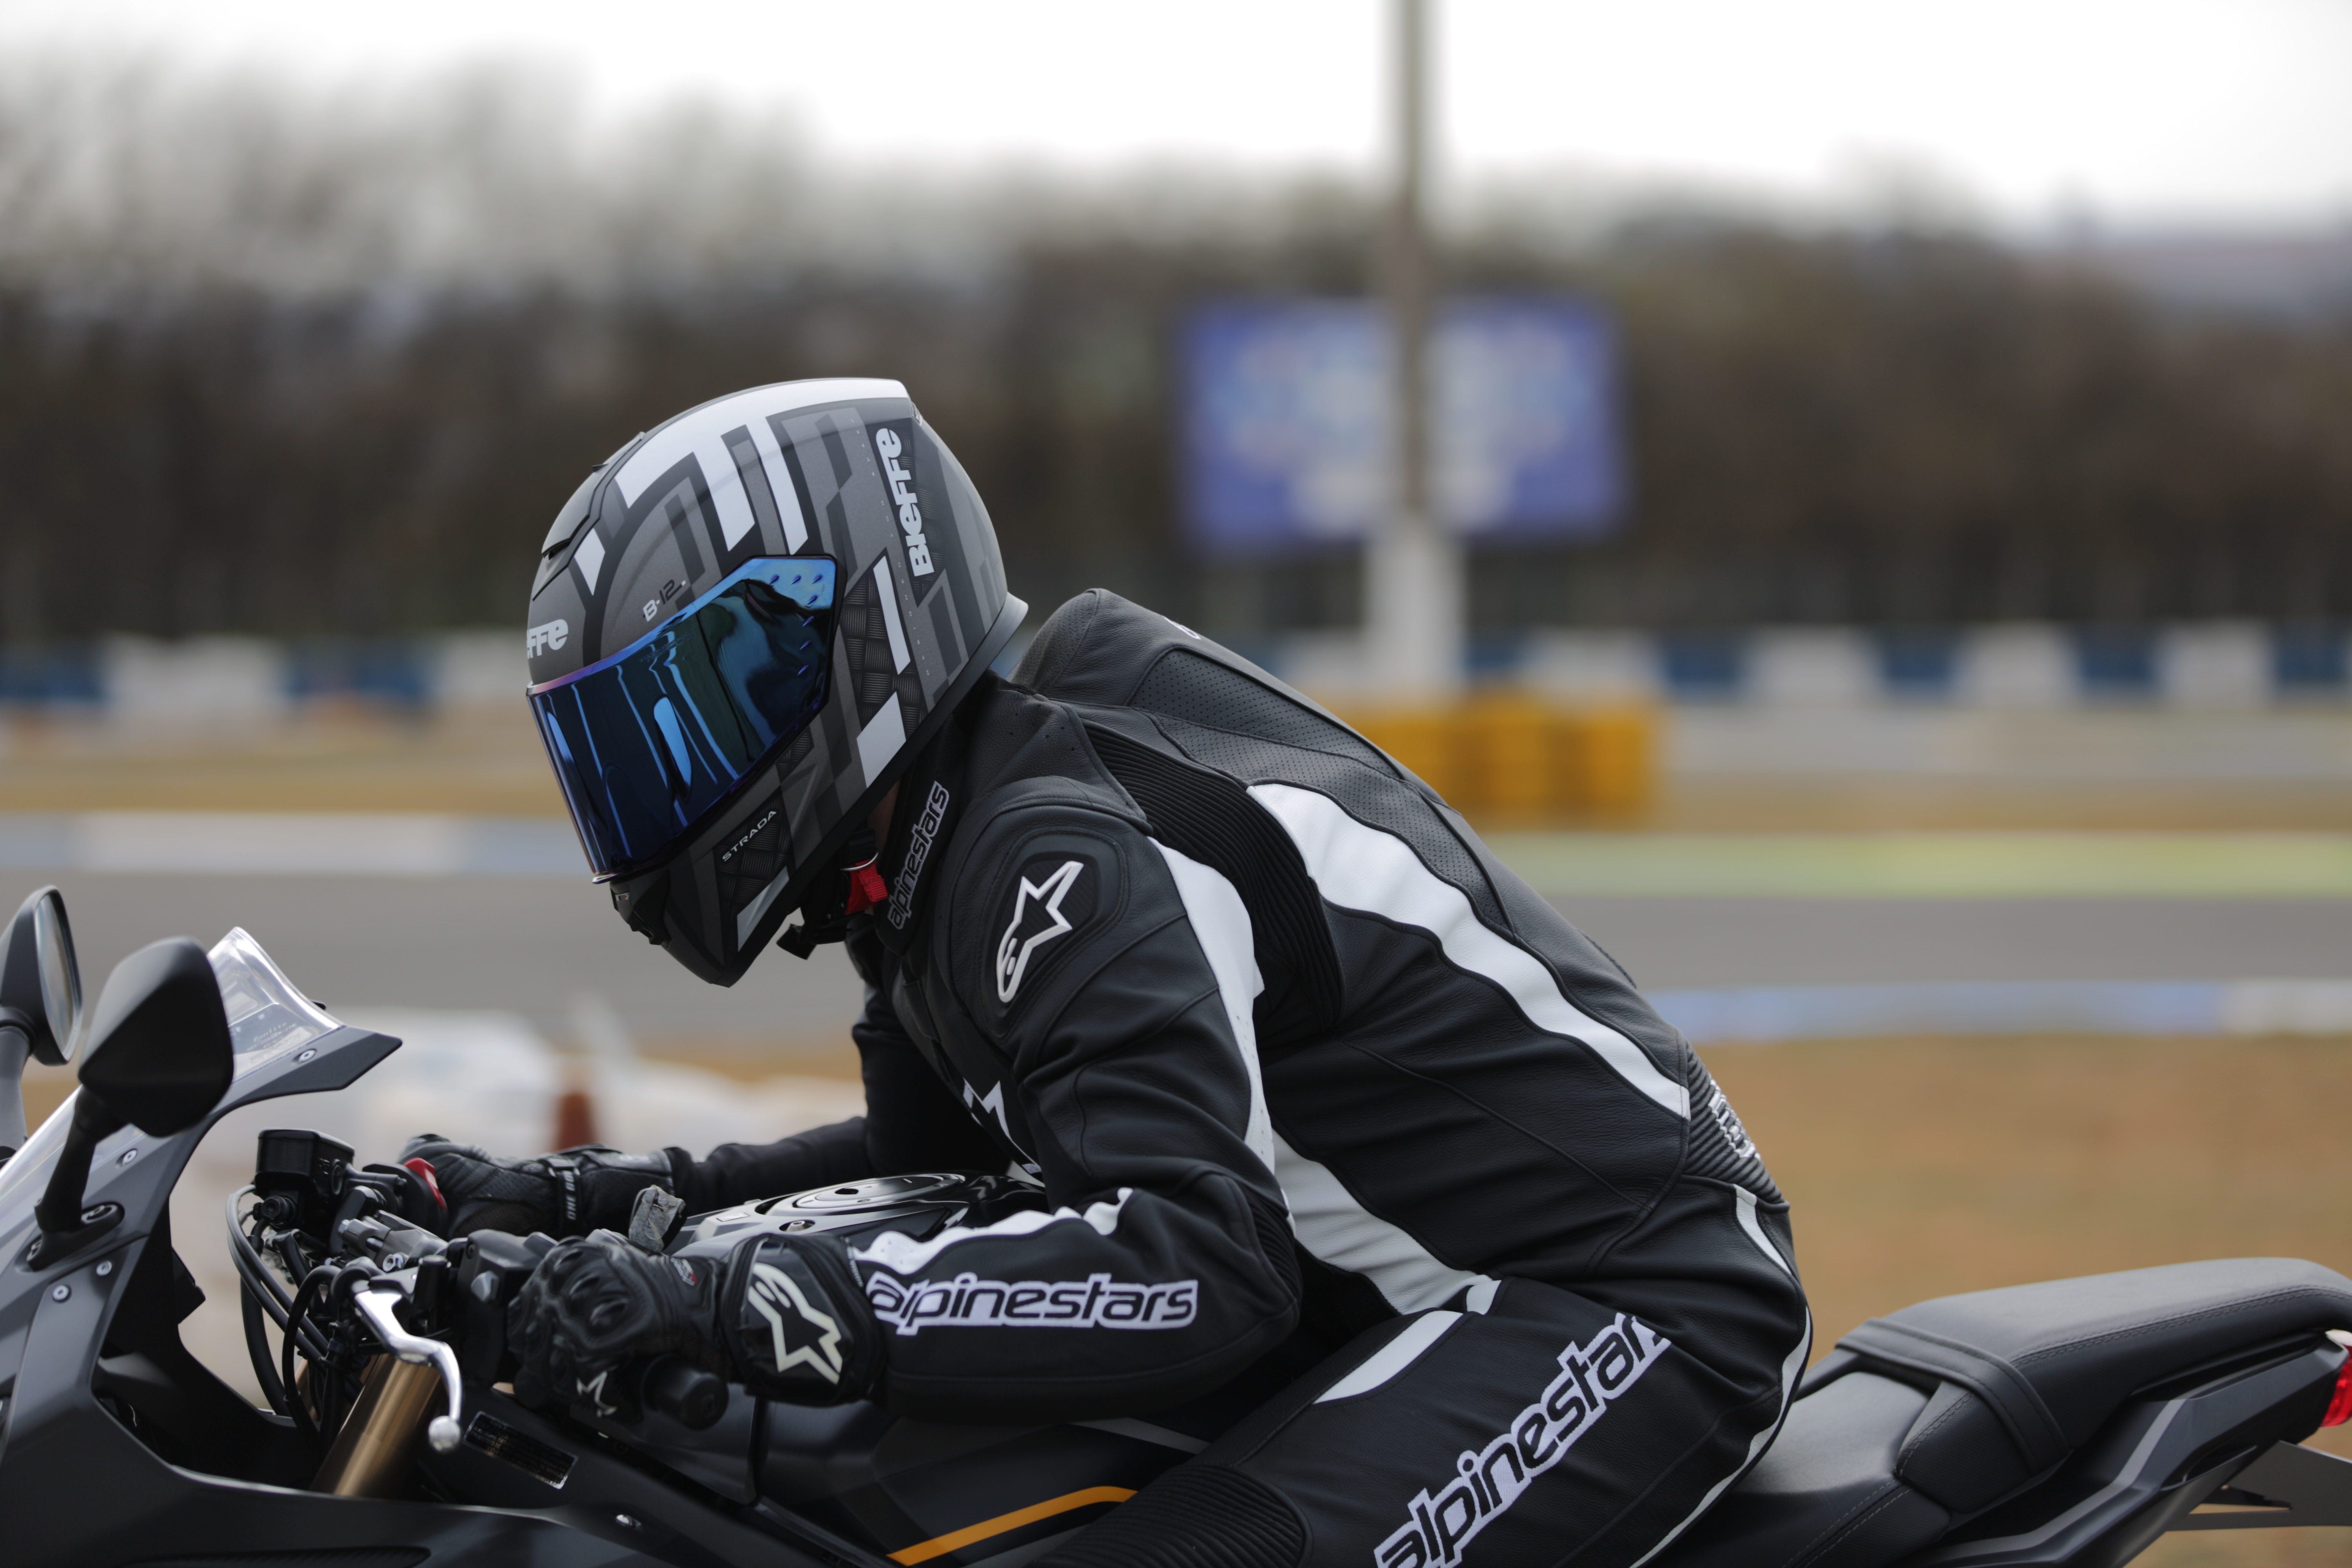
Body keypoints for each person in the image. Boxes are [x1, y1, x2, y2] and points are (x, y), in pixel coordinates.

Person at [409, 378, 1809, 1568]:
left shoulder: (1053, 839)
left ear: (850, 624)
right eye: (622, 749)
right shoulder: (929, 837)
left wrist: (726, 1305)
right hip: (1396, 1300)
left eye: (689, 712)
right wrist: (606, 1201)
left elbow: (1202, 1262)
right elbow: (936, 1178)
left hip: (1626, 1296)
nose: (660, 780)